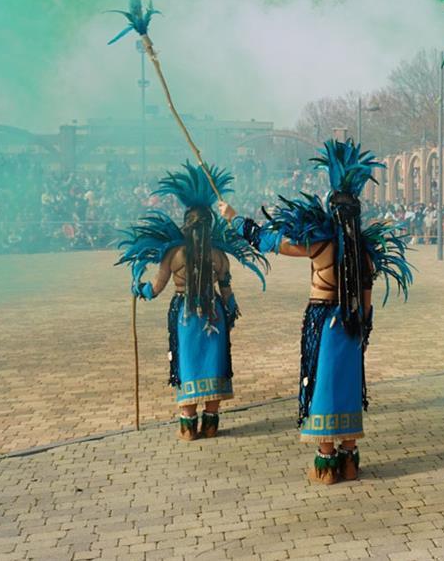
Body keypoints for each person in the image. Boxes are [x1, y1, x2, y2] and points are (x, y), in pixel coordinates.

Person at [222, 141, 413, 485]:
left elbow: (271, 241)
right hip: (352, 326)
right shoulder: (366, 254)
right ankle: (349, 457)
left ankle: (326, 462)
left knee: (322, 383)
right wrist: (362, 332)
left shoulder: (321, 244)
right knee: (349, 384)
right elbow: (367, 305)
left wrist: (235, 219)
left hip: (324, 321)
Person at [117, 163, 266, 441]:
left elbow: (155, 289)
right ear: (211, 226)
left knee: (186, 364)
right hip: (213, 315)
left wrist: (139, 289)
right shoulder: (220, 256)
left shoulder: (174, 254)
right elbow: (227, 293)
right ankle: (211, 424)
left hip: (185, 315)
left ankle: (188, 427)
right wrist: (230, 314)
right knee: (213, 364)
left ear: (186, 224)